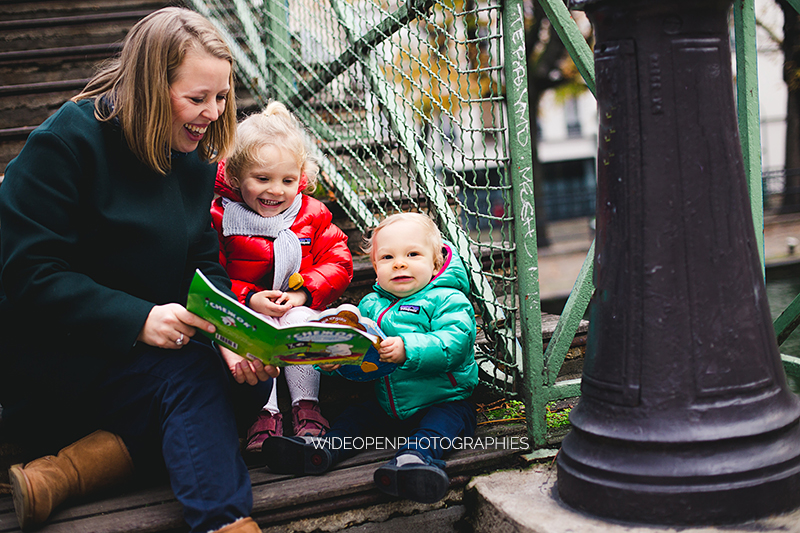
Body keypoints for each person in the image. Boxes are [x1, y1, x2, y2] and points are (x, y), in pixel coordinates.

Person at [0, 8, 277, 533]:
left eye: (221, 97)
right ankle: (226, 523)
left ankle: (63, 476)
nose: (214, 114)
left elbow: (201, 259)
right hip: (56, 357)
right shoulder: (65, 143)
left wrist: (231, 330)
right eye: (197, 98)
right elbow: (28, 274)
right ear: (151, 85)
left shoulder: (192, 153)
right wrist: (138, 319)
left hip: (146, 359)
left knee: (239, 378)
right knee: (194, 377)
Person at [262, 212, 478, 504]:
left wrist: (408, 348)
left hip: (444, 399)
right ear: (375, 267)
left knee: (441, 425)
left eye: (412, 254)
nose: (399, 263)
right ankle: (323, 450)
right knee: (355, 417)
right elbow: (362, 357)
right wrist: (335, 364)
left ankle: (413, 462)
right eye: (387, 258)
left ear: (435, 261)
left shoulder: (448, 299)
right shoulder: (370, 304)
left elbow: (454, 344)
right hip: (387, 405)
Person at [210, 101, 353, 452]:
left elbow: (339, 260)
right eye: (262, 179)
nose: (276, 190)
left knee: (302, 319)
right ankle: (265, 410)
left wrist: (304, 292)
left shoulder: (311, 213)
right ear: (235, 176)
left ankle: (307, 406)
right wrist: (248, 297)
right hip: (249, 308)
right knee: (254, 328)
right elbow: (214, 272)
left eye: (287, 180)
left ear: (300, 177)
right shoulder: (221, 218)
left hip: (296, 304)